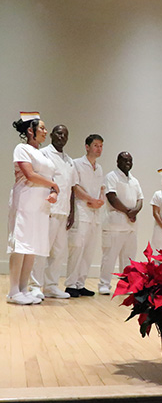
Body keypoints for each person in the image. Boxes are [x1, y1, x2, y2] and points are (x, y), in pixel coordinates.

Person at [7, 112, 58, 305]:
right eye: (42, 128)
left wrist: (54, 191)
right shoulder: (22, 149)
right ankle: (12, 291)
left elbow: (50, 181)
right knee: (20, 245)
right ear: (31, 131)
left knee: (32, 247)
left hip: (41, 206)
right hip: (25, 203)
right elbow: (29, 174)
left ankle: (23, 288)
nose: (45, 131)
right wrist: (53, 184)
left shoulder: (43, 154)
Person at [29, 125, 78, 300]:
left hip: (63, 212)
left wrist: (72, 212)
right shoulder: (43, 154)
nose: (62, 136)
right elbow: (40, 179)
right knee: (43, 249)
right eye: (58, 133)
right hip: (48, 209)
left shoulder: (69, 161)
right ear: (51, 135)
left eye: (65, 134)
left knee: (59, 252)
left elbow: (71, 188)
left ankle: (51, 286)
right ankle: (35, 285)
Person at [65, 134, 105, 297]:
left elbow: (101, 188)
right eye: (95, 145)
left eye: (101, 146)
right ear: (87, 147)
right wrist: (90, 199)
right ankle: (70, 284)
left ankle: (80, 283)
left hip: (95, 213)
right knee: (77, 248)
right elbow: (75, 187)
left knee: (89, 249)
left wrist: (100, 200)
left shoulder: (99, 168)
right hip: (81, 210)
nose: (99, 148)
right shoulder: (77, 164)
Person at [99, 152, 143, 295]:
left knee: (129, 258)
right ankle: (104, 284)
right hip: (114, 225)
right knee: (109, 257)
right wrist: (127, 211)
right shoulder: (111, 177)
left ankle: (127, 285)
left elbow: (140, 199)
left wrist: (134, 211)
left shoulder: (134, 181)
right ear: (118, 161)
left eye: (130, 161)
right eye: (124, 160)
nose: (128, 163)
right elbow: (112, 197)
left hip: (130, 226)